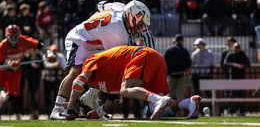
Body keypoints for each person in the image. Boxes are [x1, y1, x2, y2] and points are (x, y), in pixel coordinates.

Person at [49, 0, 155, 120]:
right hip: (80, 39)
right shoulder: (117, 34)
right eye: (140, 23)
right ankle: (57, 108)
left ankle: (89, 98)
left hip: (95, 40)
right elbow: (114, 59)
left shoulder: (120, 8)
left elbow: (101, 4)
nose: (141, 27)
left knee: (100, 70)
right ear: (132, 17)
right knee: (76, 71)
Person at [62, 45, 201, 120]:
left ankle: (159, 99)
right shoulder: (104, 76)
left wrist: (69, 109)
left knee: (126, 90)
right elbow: (114, 99)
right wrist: (98, 113)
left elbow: (78, 83)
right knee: (158, 110)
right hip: (154, 58)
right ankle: (188, 102)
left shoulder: (90, 61)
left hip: (142, 55)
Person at [0, 24, 53, 120]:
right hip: (1, 70)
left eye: (15, 36)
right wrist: (10, 64)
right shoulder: (2, 45)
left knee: (13, 97)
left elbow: (39, 45)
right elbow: (0, 64)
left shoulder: (24, 40)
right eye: (11, 37)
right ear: (6, 35)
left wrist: (48, 53)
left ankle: (4, 96)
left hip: (15, 72)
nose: (13, 39)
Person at [223, 42, 251, 116]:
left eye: (238, 47)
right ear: (233, 48)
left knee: (241, 94)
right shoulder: (230, 54)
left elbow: (248, 63)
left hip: (241, 77)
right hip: (232, 77)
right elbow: (225, 63)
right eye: (236, 48)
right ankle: (230, 110)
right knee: (232, 94)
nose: (237, 49)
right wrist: (234, 65)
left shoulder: (242, 54)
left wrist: (243, 65)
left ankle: (241, 111)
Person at [164, 34, 191, 101]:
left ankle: (167, 110)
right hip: (181, 75)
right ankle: (179, 111)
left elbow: (165, 62)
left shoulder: (169, 50)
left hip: (171, 75)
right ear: (181, 41)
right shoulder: (184, 50)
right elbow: (189, 63)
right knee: (180, 95)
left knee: (169, 94)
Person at [42, 44, 66, 116]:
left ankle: (57, 110)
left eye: (55, 50)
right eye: (52, 51)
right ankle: (48, 112)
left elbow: (64, 65)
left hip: (57, 79)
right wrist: (54, 65)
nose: (54, 52)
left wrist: (58, 65)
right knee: (47, 96)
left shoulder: (60, 56)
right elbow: (46, 65)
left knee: (57, 95)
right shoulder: (45, 56)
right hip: (47, 79)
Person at [190, 38, 215, 106]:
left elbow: (212, 64)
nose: (197, 46)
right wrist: (191, 74)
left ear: (202, 44)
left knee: (208, 92)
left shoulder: (209, 53)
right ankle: (199, 109)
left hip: (206, 75)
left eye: (199, 44)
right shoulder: (194, 54)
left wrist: (213, 73)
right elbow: (192, 64)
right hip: (197, 75)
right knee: (197, 93)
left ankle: (210, 108)